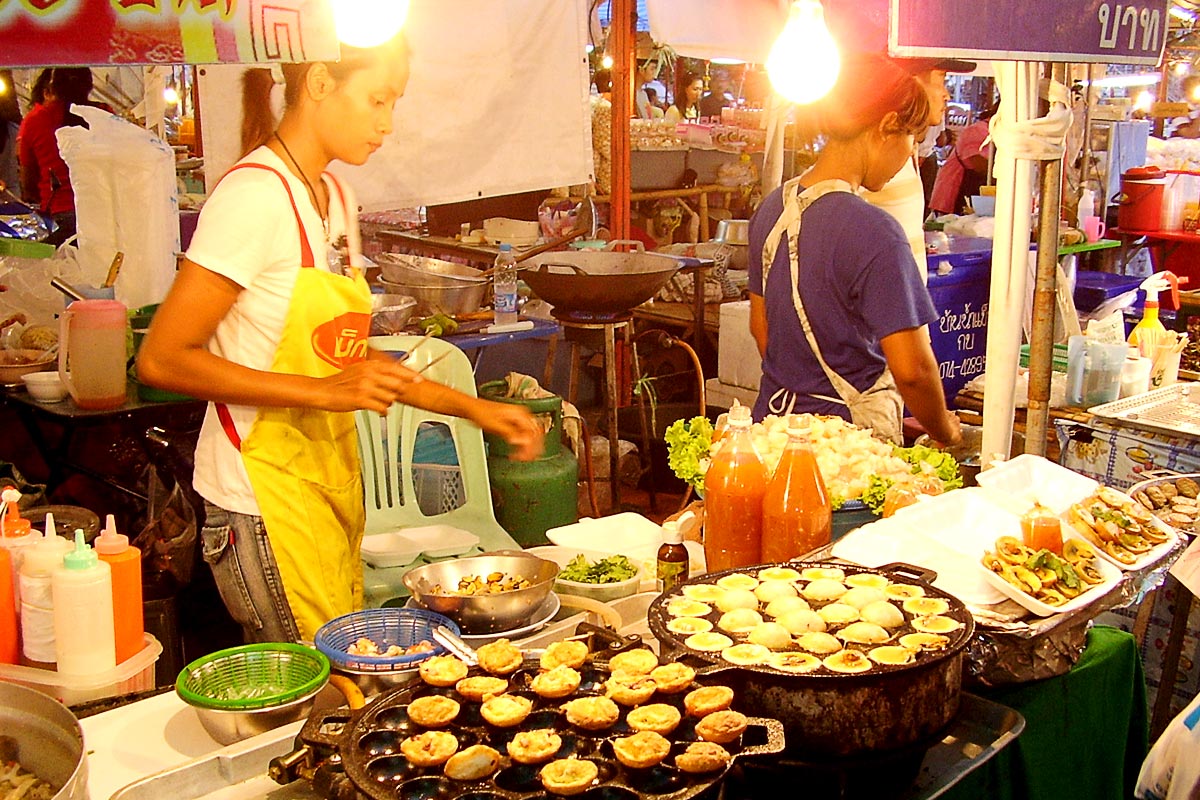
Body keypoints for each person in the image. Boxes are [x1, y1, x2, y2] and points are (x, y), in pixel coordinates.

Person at [137, 35, 542, 644]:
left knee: (340, 686)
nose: (387, 124)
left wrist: (476, 410)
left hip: (326, 486)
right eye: (377, 99)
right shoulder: (253, 198)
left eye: (395, 104)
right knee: (320, 695)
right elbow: (162, 359)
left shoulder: (334, 201)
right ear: (320, 82)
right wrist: (321, 390)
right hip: (261, 499)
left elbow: (352, 364)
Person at [747, 53, 961, 447]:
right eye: (911, 139)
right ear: (886, 127)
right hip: (845, 448)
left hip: (772, 431)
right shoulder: (876, 232)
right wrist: (945, 430)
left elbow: (761, 329)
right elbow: (913, 370)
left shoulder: (772, 207)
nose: (908, 157)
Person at [861, 58, 975, 281]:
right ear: (911, 82)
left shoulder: (903, 158)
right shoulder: (880, 166)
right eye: (940, 78)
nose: (947, 94)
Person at [17, 68, 98, 245]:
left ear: (51, 89)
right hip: (102, 213)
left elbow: (28, 184)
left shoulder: (35, 120)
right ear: (89, 87)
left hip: (60, 215)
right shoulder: (104, 114)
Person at [929, 102, 997, 216]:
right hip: (953, 197)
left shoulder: (995, 133)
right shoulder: (978, 130)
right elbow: (979, 164)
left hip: (972, 199)